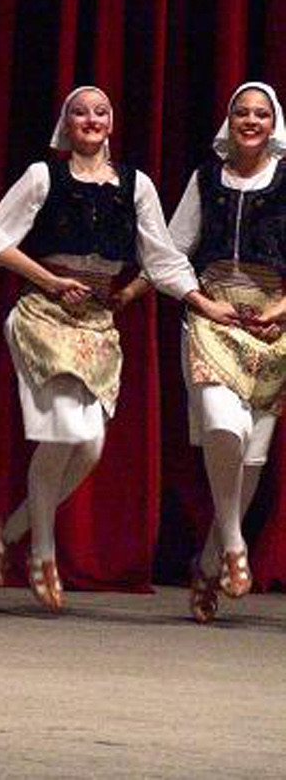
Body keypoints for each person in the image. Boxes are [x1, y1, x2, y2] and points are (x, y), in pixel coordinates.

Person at [0, 85, 233, 612]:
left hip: (96, 324)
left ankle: (14, 529)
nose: (90, 120)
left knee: (89, 446)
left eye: (100, 112)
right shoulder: (43, 176)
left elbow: (161, 257)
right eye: (80, 113)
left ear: (111, 123)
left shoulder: (136, 185)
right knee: (65, 430)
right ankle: (42, 553)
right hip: (43, 316)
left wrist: (202, 303)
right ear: (66, 124)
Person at [165, 83, 286, 622]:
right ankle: (235, 544)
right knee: (222, 425)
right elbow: (171, 251)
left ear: (273, 124)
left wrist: (281, 309)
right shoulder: (205, 180)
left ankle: (210, 560)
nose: (251, 121)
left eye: (261, 113)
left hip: (271, 326)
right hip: (213, 317)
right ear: (229, 120)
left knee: (251, 455)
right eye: (242, 112)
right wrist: (199, 300)